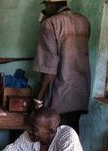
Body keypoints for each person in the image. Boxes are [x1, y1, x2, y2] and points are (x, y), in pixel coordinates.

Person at [33, 0, 91, 134]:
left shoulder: (49, 23)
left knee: (55, 140)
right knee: (72, 137)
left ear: (51, 5)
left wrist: (38, 99)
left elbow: (49, 71)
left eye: (46, 6)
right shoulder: (84, 21)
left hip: (60, 95)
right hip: (80, 93)